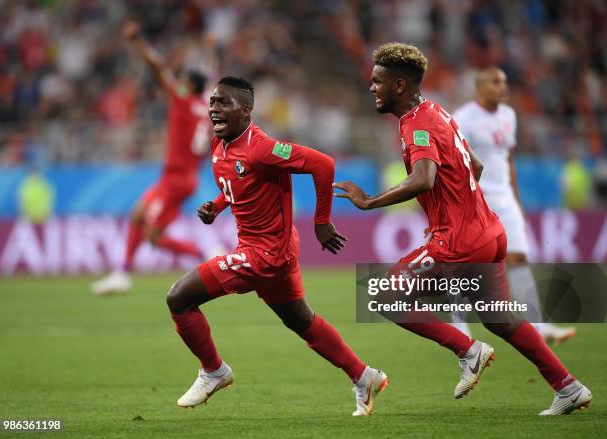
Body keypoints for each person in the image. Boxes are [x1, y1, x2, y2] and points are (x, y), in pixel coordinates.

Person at [333, 42, 592, 415]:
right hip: (488, 230)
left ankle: (467, 350)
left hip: (459, 240)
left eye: (378, 81)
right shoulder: (438, 111)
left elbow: (424, 178)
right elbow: (476, 166)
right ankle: (568, 386)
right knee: (501, 319)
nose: (371, 87)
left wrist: (370, 201)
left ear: (400, 85)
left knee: (385, 296)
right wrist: (453, 205)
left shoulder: (415, 125)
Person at [165, 76, 387, 416]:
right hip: (267, 251)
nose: (213, 109)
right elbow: (235, 185)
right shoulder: (219, 145)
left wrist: (321, 220)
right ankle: (363, 376)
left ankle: (214, 371)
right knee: (301, 321)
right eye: (212, 102)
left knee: (179, 298)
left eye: (223, 103)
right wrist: (217, 205)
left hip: (264, 254)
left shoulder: (263, 148)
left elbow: (323, 164)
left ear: (245, 111)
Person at [451, 67, 576, 344]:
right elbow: (456, 163)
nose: (502, 87)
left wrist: (515, 201)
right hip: (476, 197)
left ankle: (540, 326)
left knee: (519, 258)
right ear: (480, 87)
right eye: (496, 82)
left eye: (504, 82)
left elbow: (507, 160)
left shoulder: (509, 116)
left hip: (504, 196)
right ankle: (459, 327)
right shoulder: (463, 119)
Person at [92, 22, 212, 295]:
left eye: (182, 80)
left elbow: (158, 68)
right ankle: (122, 272)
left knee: (153, 237)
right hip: (181, 176)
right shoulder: (205, 105)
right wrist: (208, 47)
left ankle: (207, 254)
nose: (177, 83)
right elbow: (208, 73)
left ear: (188, 86)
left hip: (177, 178)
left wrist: (137, 42)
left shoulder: (182, 100)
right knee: (137, 215)